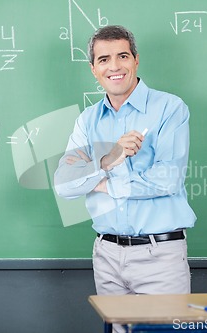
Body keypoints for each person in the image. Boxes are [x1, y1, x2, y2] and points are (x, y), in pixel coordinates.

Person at [54, 25, 196, 298]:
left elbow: (168, 179)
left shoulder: (170, 108)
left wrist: (103, 184)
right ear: (93, 69)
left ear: (136, 60)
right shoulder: (87, 120)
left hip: (160, 257)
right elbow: (64, 185)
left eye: (122, 56)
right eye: (103, 60)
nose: (114, 66)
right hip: (106, 255)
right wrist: (109, 160)